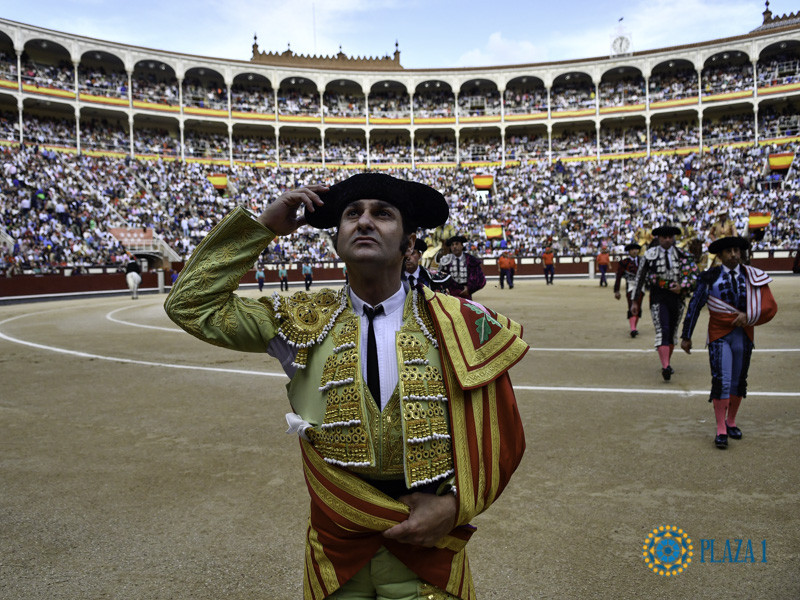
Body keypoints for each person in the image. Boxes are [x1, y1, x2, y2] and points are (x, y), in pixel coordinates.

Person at [164, 172, 528, 600]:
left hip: (426, 548)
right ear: (336, 239)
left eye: (383, 214)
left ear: (410, 242)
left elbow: (502, 437)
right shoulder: (299, 319)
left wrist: (455, 508)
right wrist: (261, 229)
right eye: (352, 214)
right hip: (337, 551)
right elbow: (189, 303)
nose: (365, 222)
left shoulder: (456, 322)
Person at [680, 236, 777, 449]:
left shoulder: (752, 276)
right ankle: (721, 428)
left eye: (736, 250)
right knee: (722, 379)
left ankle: (731, 421)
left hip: (744, 334)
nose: (734, 254)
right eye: (729, 251)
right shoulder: (709, 277)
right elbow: (695, 306)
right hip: (719, 334)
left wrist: (750, 315)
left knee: (738, 379)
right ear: (721, 256)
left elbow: (767, 305)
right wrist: (686, 335)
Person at [630, 225, 698, 381]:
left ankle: (667, 361)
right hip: (658, 297)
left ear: (674, 238)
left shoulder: (683, 255)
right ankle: (666, 365)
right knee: (663, 329)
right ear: (658, 238)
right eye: (664, 237)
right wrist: (635, 301)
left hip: (677, 298)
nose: (667, 240)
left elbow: (694, 277)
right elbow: (639, 278)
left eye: (670, 237)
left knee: (672, 331)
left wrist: (683, 286)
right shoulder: (649, 255)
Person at [437, 235, 486, 299]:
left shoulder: (470, 259)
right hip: (450, 295)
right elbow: (439, 278)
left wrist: (469, 289)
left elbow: (480, 279)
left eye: (457, 244)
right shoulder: (445, 260)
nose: (454, 246)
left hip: (466, 294)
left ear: (462, 246)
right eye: (452, 245)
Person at [613, 242, 643, 338]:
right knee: (631, 305)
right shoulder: (624, 262)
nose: (634, 251)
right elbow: (618, 276)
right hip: (630, 286)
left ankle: (634, 326)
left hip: (640, 287)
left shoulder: (642, 261)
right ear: (629, 251)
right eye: (632, 250)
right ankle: (633, 328)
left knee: (638, 306)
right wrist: (616, 290)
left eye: (636, 249)